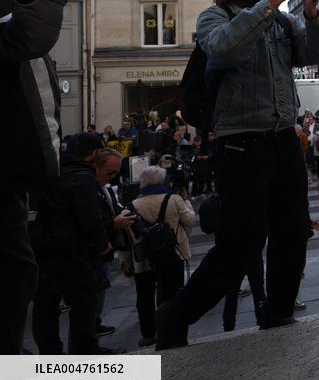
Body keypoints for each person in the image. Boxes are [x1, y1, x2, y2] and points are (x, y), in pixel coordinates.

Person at [155, 0, 319, 349]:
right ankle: (176, 314)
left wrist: (310, 14)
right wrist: (273, 1)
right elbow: (223, 48)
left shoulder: (283, 23)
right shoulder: (214, 18)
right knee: (240, 245)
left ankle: (279, 311)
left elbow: (318, 52)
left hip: (284, 139)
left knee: (292, 232)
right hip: (239, 145)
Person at [1, 0, 79, 355]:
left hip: (13, 171)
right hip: (15, 166)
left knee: (18, 273)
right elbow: (26, 41)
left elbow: (28, 41)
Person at [31, 133, 111, 355]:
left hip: (45, 248)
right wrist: (102, 243)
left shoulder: (54, 171)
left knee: (46, 304)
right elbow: (89, 215)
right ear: (93, 153)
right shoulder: (83, 176)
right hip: (71, 250)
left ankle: (50, 353)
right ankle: (85, 349)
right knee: (84, 300)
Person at [127, 165, 196, 347]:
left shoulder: (132, 205)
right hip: (172, 253)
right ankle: (169, 327)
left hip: (145, 258)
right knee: (172, 291)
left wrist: (127, 263)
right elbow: (190, 220)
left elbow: (128, 237)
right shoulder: (173, 199)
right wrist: (186, 201)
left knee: (144, 296)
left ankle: (148, 333)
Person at [93, 147, 129, 338]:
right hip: (97, 249)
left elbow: (113, 208)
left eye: (117, 172)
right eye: (110, 172)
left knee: (100, 291)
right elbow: (92, 222)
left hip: (107, 248)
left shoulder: (105, 189)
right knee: (94, 294)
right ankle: (91, 329)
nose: (113, 177)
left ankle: (95, 324)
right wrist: (114, 224)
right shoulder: (89, 189)